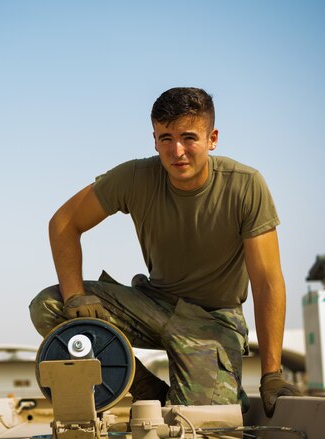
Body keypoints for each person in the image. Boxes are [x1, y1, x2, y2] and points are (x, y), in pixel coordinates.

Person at [29, 87, 300, 417]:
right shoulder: (135, 177)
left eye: (189, 137)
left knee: (202, 425)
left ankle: (213, 389)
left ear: (212, 138)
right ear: (154, 139)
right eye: (166, 138)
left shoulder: (245, 186)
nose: (177, 151)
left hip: (213, 320)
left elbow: (267, 281)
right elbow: (63, 223)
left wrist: (272, 374)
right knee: (50, 307)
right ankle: (143, 386)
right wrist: (74, 297)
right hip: (154, 304)